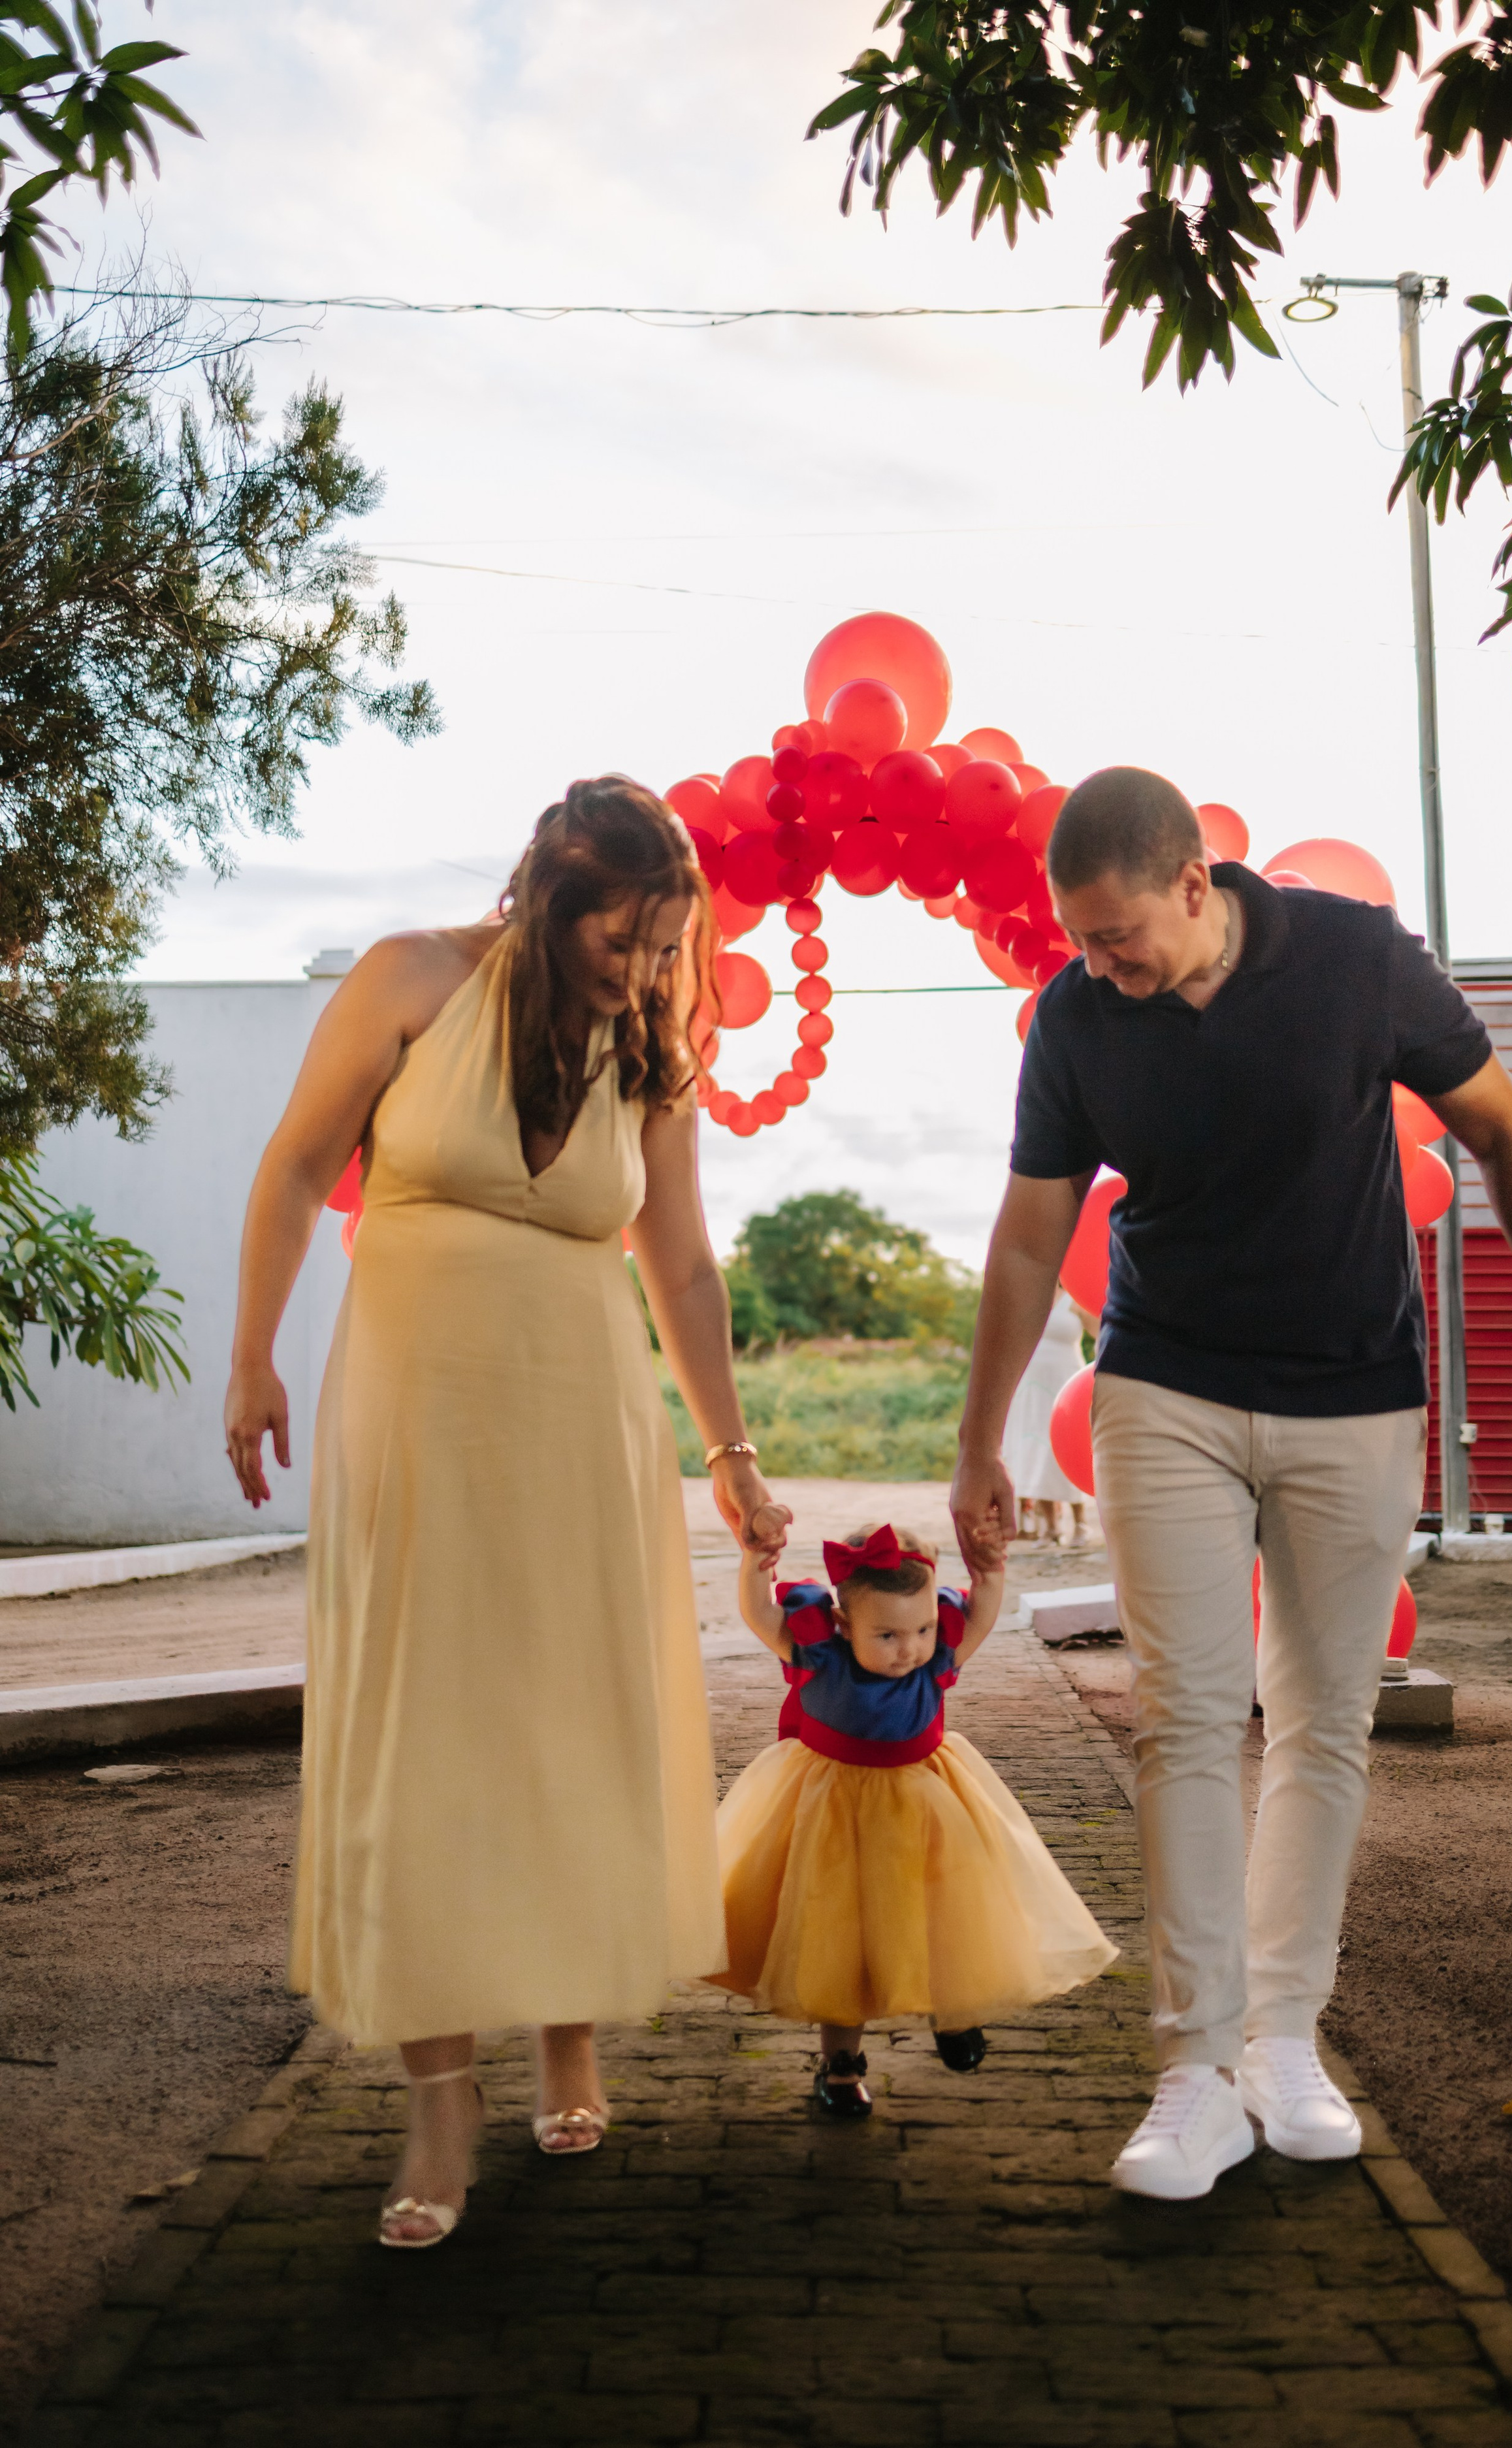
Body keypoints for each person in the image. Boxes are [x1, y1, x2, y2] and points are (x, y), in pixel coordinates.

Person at [951, 767, 1512, 2202]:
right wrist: (978, 1435)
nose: (1096, 964)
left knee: (1319, 1721)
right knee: (1180, 1719)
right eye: (1076, 940)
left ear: (1194, 883)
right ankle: (1192, 2071)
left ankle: (1284, 2045)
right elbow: (1019, 1241)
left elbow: (1499, 1129)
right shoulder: (1073, 1019)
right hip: (1163, 1386)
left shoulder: (1357, 959)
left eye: (1116, 936)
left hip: (1352, 1394)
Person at [224, 777, 788, 2250]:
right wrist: (249, 1358)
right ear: (546, 898)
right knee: (431, 1724)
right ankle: (436, 2092)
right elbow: (292, 1170)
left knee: (570, 1718)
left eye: (664, 944)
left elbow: (681, 1269)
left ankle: (569, 2035)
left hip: (578, 1416)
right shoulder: (409, 980)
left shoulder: (648, 1046)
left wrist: (729, 1454)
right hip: (416, 1403)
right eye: (621, 937)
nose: (643, 968)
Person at [707, 1520, 1117, 2115]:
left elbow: (977, 1618)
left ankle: (955, 2010)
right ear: (845, 1626)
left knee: (944, 1914)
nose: (911, 1648)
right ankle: (841, 2064)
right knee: (836, 1941)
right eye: (890, 1635)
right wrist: (754, 1566)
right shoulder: (819, 1655)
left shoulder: (933, 1659)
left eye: (923, 1629)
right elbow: (761, 1617)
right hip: (831, 1815)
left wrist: (991, 1571)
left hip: (929, 1807)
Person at [1001, 1283, 1092, 1545]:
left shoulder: (1075, 1299)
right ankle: (1051, 1527)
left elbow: (1100, 1331)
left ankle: (1080, 1523)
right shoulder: (1030, 1295)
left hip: (1066, 1380)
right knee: (1035, 1447)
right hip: (1031, 1383)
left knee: (1069, 1446)